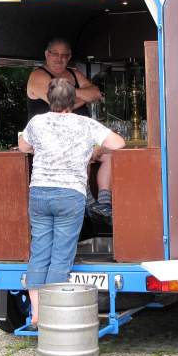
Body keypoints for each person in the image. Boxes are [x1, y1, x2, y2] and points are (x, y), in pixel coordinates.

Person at [19, 78, 125, 325]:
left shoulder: (37, 122)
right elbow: (118, 143)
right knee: (61, 254)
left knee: (39, 250)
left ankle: (36, 312)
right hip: (69, 195)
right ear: (74, 101)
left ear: (49, 99)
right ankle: (52, 312)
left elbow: (23, 147)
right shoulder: (85, 124)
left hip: (39, 193)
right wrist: (92, 149)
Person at [27, 37, 115, 220]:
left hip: (82, 137)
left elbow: (95, 93)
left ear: (69, 57)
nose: (60, 59)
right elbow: (60, 105)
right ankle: (88, 202)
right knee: (82, 155)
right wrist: (83, 96)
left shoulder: (74, 74)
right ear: (47, 54)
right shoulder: (38, 76)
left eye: (64, 55)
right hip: (51, 141)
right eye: (55, 54)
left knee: (110, 154)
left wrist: (72, 95)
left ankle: (104, 202)